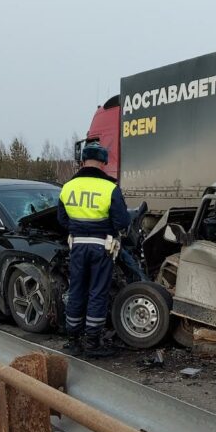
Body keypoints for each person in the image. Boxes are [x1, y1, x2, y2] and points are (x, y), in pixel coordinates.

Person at [57, 143, 130, 358]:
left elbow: (61, 220)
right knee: (97, 292)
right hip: (101, 247)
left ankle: (73, 340)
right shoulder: (109, 188)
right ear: (103, 162)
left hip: (77, 246)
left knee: (77, 290)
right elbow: (122, 221)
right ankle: (92, 342)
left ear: (82, 161)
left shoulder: (68, 187)